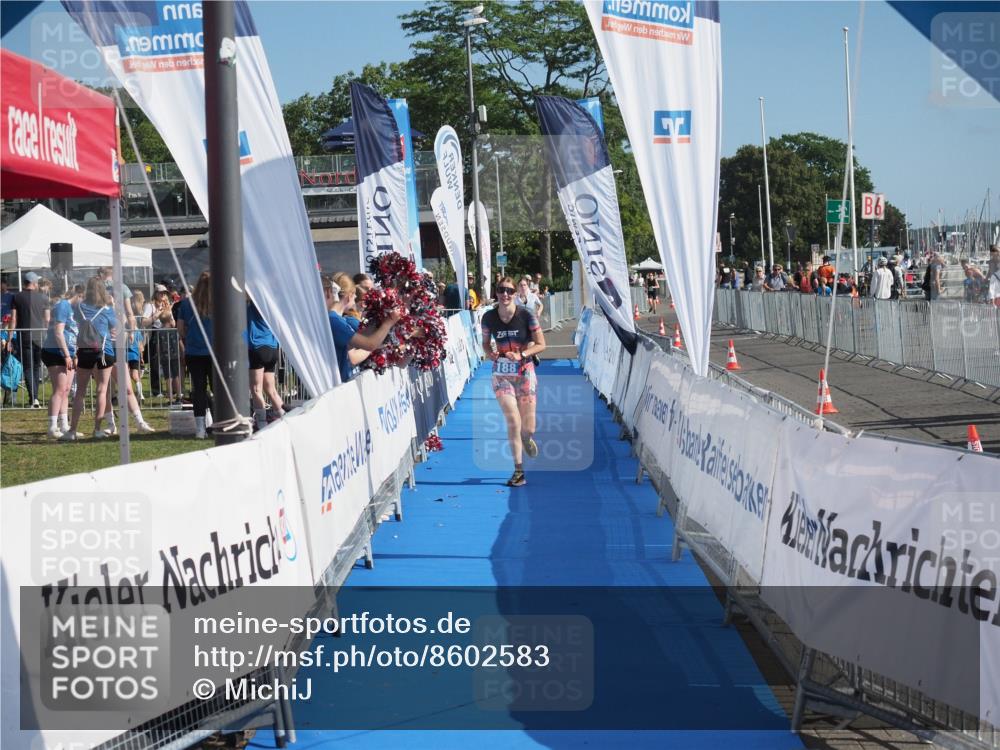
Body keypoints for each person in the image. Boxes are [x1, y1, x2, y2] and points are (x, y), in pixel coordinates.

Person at [481, 277, 546, 487]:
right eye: (501, 290)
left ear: (515, 293)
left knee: (528, 428)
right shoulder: (488, 317)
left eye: (509, 290)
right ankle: (518, 471)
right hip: (501, 374)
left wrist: (522, 354)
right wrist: (490, 353)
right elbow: (484, 343)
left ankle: (526, 439)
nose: (505, 294)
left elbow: (541, 344)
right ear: (496, 292)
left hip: (525, 370)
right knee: (513, 419)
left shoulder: (526, 315)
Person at [62, 278, 118, 440]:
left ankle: (72, 430)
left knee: (80, 391)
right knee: (102, 390)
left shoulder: (79, 307)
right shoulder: (107, 309)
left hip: (84, 350)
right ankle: (97, 429)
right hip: (103, 351)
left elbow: (76, 323)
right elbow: (115, 329)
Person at [323, 273, 401, 383]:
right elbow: (370, 344)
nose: (355, 298)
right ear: (349, 295)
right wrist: (389, 322)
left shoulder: (338, 319)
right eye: (354, 294)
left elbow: (363, 337)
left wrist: (381, 321)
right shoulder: (334, 320)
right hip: (335, 383)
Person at [176, 271, 214, 438]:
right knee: (216, 389)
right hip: (214, 352)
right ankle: (219, 422)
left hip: (194, 351)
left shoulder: (186, 304)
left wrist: (190, 337)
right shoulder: (219, 302)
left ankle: (200, 428)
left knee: (198, 389)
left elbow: (180, 329)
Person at [41, 286, 81, 438]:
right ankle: (52, 426)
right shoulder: (63, 305)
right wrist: (66, 355)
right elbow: (58, 332)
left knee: (66, 389)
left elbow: (74, 333)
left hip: (68, 353)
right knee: (59, 389)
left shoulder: (73, 309)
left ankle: (64, 425)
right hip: (55, 352)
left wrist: (74, 354)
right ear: (79, 295)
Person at [247, 298, 285, 430]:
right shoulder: (271, 306)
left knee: (256, 389)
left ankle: (262, 424)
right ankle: (284, 419)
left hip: (257, 347)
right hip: (272, 347)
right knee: (271, 390)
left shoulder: (251, 306)